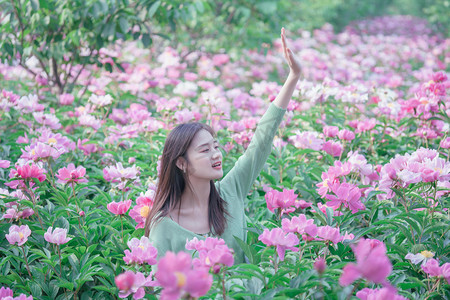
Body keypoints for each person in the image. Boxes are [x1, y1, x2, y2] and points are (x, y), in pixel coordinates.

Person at [144, 28, 301, 264]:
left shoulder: (230, 193)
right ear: (181, 163)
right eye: (205, 150)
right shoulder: (163, 226)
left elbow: (261, 141)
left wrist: (293, 77)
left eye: (215, 147)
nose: (216, 155)